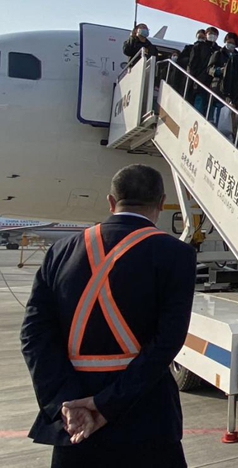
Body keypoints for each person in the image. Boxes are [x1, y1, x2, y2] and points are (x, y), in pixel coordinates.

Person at [20, 164, 196, 468]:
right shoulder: (175, 253)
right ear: (161, 202)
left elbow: (33, 336)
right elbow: (168, 341)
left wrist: (67, 404)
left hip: (75, 420)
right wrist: (105, 405)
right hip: (146, 414)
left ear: (111, 202)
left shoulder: (60, 251)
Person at [184, 27, 220, 110]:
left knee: (211, 106)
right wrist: (193, 79)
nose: (212, 36)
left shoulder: (218, 50)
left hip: (213, 82)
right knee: (199, 103)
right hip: (200, 80)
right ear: (206, 34)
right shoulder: (199, 46)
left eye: (215, 34)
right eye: (210, 33)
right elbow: (192, 64)